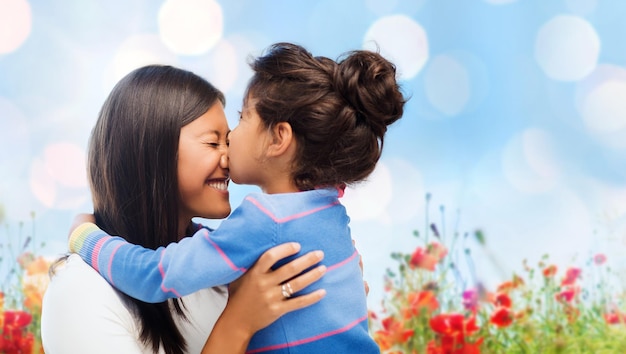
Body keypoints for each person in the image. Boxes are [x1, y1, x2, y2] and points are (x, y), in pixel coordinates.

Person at [68, 42, 406, 353]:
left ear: (279, 139)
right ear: (151, 152)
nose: (229, 144)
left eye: (242, 118)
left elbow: (155, 275)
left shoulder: (265, 218)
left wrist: (86, 237)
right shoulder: (329, 210)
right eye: (213, 142)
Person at [40, 64, 327, 354]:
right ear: (152, 152)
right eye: (213, 142)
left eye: (228, 141)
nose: (230, 158)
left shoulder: (225, 275)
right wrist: (238, 323)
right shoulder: (79, 291)